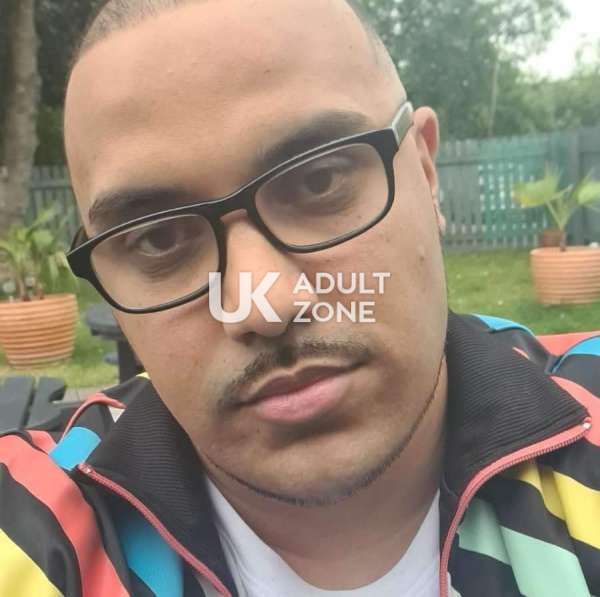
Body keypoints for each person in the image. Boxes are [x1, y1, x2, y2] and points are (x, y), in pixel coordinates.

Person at [1, 1, 599, 596]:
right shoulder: (32, 524)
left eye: (319, 181)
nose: (261, 304)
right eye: (157, 239)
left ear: (424, 170)